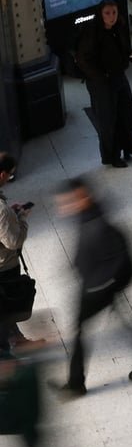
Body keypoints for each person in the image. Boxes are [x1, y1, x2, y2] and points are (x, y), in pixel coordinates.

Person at [54, 177, 132, 396]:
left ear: (83, 197)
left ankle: (76, 384)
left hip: (99, 287)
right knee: (123, 320)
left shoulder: (100, 224)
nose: (64, 207)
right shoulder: (87, 216)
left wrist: (101, 285)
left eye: (69, 201)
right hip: (100, 285)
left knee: (80, 329)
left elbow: (118, 260)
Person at [74, 0, 132, 167]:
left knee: (126, 113)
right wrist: (101, 76)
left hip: (118, 77)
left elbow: (123, 51)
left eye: (114, 12)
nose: (111, 17)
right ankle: (112, 155)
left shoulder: (118, 28)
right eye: (107, 13)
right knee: (107, 119)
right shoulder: (92, 32)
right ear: (100, 14)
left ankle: (131, 147)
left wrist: (131, 56)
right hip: (101, 83)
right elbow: (84, 59)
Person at [1, 152, 34, 355]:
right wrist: (21, 220)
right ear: (2, 174)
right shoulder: (1, 210)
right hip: (4, 266)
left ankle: (17, 339)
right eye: (10, 174)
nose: (10, 178)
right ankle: (10, 349)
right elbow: (13, 242)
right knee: (8, 305)